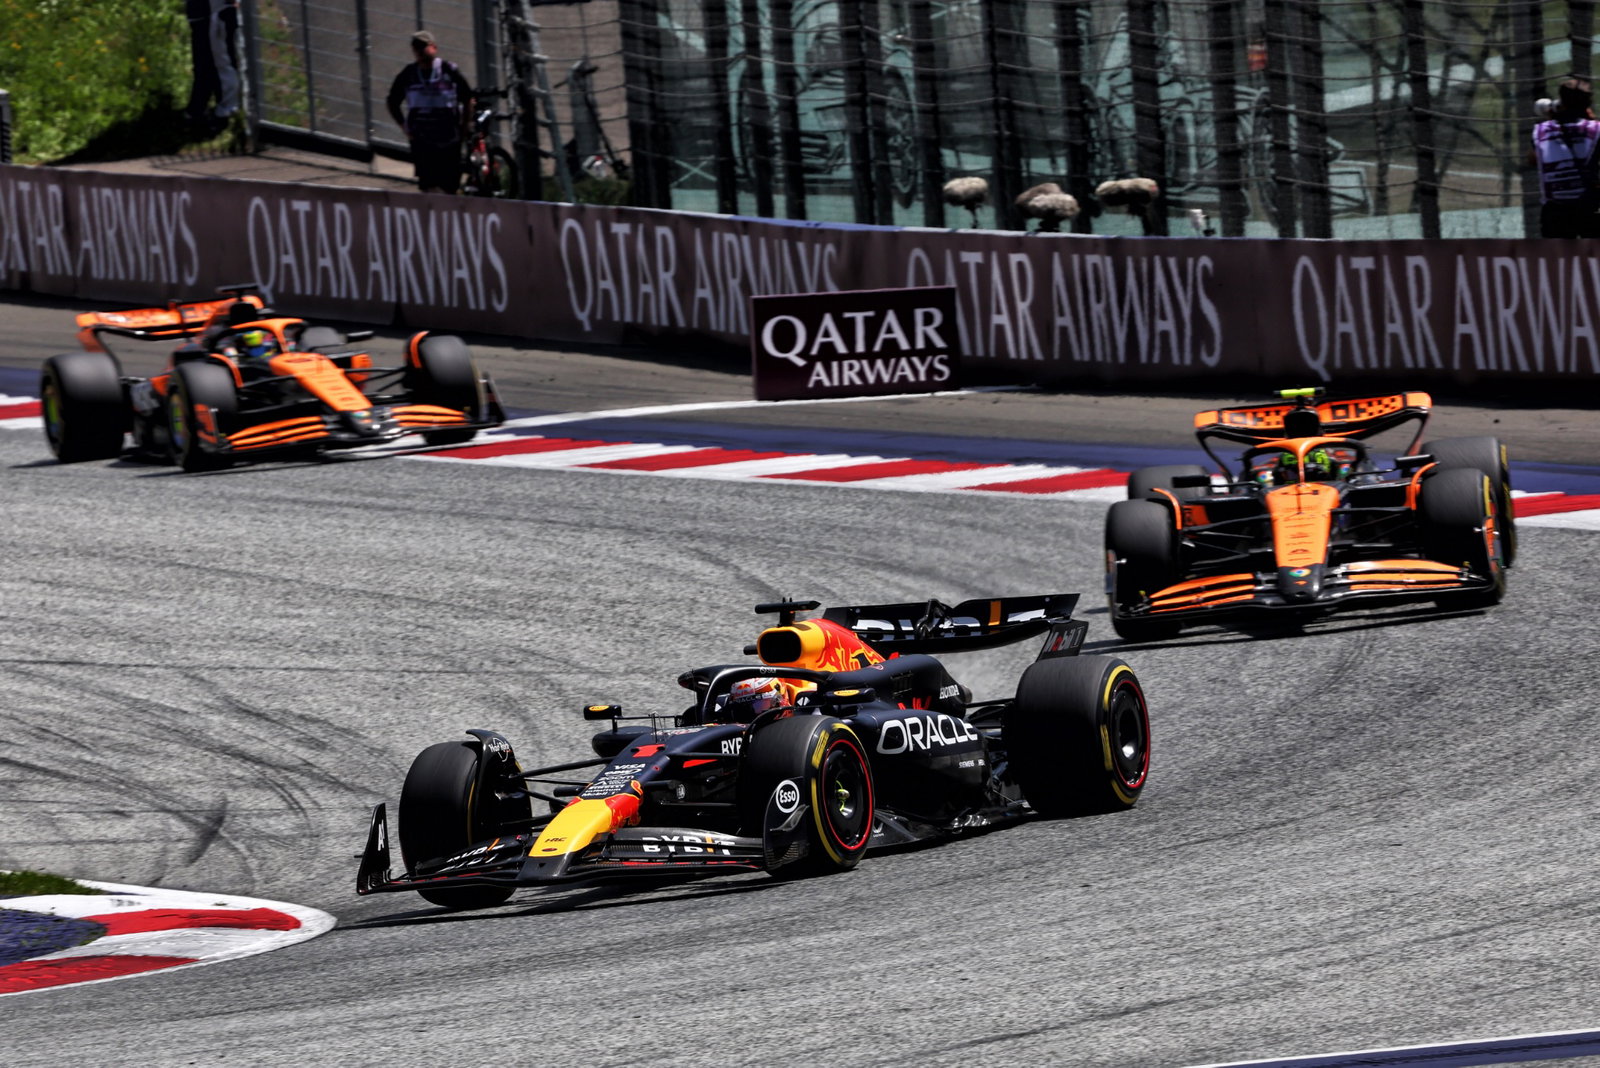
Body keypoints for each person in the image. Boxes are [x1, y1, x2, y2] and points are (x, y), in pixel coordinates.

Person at [386, 31, 474, 195]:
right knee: (429, 187)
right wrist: (404, 126)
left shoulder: (449, 70)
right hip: (422, 140)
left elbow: (467, 98)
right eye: (416, 49)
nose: (420, 52)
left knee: (449, 187)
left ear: (434, 48)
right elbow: (392, 101)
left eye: (423, 47)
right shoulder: (409, 74)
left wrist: (465, 126)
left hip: (449, 139)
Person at [1531, 77, 1600, 239]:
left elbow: (1532, 159)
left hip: (1555, 211)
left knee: (1557, 260)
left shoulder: (1541, 131)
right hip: (1590, 207)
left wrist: (1553, 121)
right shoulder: (1595, 130)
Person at [185, 0, 240, 137]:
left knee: (220, 64)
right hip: (207, 13)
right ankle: (201, 113)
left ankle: (225, 113)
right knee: (209, 66)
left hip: (215, 12)